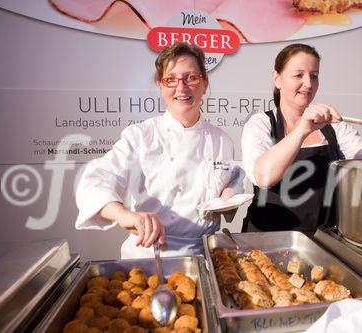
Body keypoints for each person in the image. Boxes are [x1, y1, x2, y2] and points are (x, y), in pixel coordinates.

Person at [241, 43, 362, 234]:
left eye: (314, 75)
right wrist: (302, 130)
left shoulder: (334, 127)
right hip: (266, 241)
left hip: (322, 242)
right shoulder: (261, 123)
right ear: (277, 78)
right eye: (298, 75)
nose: (308, 83)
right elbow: (264, 177)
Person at [75, 42, 243, 258]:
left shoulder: (222, 140)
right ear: (160, 85)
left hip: (205, 257)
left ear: (204, 84)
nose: (181, 88)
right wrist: (123, 214)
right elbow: (96, 178)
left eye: (190, 78)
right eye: (171, 80)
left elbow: (232, 178)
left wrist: (232, 194)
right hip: (149, 256)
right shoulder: (140, 136)